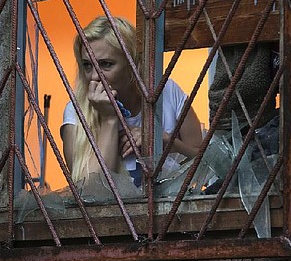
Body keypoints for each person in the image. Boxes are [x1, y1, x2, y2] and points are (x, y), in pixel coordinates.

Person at [60, 16, 203, 186]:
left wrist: (164, 141)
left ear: (132, 63)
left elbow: (205, 161)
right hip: (115, 213)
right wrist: (109, 118)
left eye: (106, 64)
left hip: (169, 209)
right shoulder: (76, 111)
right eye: (87, 65)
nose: (94, 76)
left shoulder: (165, 91)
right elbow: (90, 191)